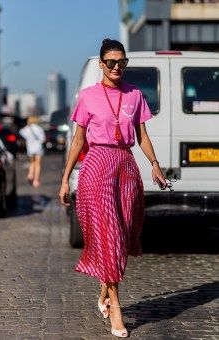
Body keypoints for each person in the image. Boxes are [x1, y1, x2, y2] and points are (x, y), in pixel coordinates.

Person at [59, 38, 166, 338]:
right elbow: (78, 141)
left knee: (125, 232)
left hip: (126, 167)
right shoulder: (88, 96)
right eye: (111, 62)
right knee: (111, 236)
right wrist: (66, 178)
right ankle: (116, 309)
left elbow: (141, 135)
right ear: (101, 65)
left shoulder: (135, 94)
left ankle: (105, 288)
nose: (116, 67)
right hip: (97, 167)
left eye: (122, 62)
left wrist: (155, 164)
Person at [19, 115, 45, 188]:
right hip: (38, 148)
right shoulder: (39, 128)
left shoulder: (26, 129)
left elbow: (20, 132)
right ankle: (36, 181)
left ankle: (30, 174)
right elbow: (43, 139)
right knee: (38, 164)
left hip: (30, 148)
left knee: (32, 162)